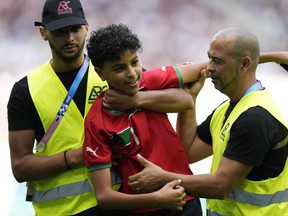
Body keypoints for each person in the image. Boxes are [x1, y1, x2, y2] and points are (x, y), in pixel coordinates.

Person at [7, 1, 194, 215]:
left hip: (122, 205)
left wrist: (136, 100)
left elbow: (182, 99)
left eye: (75, 29)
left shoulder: (114, 71)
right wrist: (77, 156)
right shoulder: (26, 90)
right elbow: (20, 167)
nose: (69, 38)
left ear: (86, 27)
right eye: (59, 31)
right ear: (43, 33)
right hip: (64, 211)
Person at [127, 27, 288, 216]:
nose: (209, 68)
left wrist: (162, 178)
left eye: (217, 61)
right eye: (209, 58)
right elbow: (187, 152)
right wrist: (190, 99)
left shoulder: (255, 119)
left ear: (244, 65)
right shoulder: (229, 109)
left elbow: (220, 186)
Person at [83, 23, 208, 215]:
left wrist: (135, 99)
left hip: (185, 199)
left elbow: (190, 92)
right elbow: (104, 197)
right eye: (119, 68)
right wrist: (158, 198)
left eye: (134, 62)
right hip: (143, 209)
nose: (131, 73)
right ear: (100, 73)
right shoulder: (96, 121)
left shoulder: (149, 82)